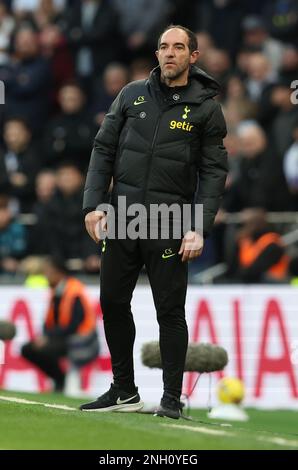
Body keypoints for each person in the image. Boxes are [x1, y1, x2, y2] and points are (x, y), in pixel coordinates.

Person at [80, 25, 228, 418]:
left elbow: (214, 172)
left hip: (171, 220)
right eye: (163, 46)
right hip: (123, 217)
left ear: (193, 56)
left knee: (169, 312)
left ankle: (171, 399)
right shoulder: (130, 95)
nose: (169, 53)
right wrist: (93, 204)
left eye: (179, 47)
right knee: (112, 301)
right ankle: (124, 391)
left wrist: (199, 225)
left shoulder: (206, 107)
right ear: (157, 52)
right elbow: (102, 149)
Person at [21, 256, 99, 391]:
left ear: (58, 272)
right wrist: (45, 336)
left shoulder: (74, 291)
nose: (46, 276)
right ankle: (60, 380)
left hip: (84, 341)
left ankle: (62, 382)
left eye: (48, 272)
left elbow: (74, 325)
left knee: (42, 349)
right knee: (29, 349)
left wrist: (49, 337)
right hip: (66, 338)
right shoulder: (56, 291)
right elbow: (48, 322)